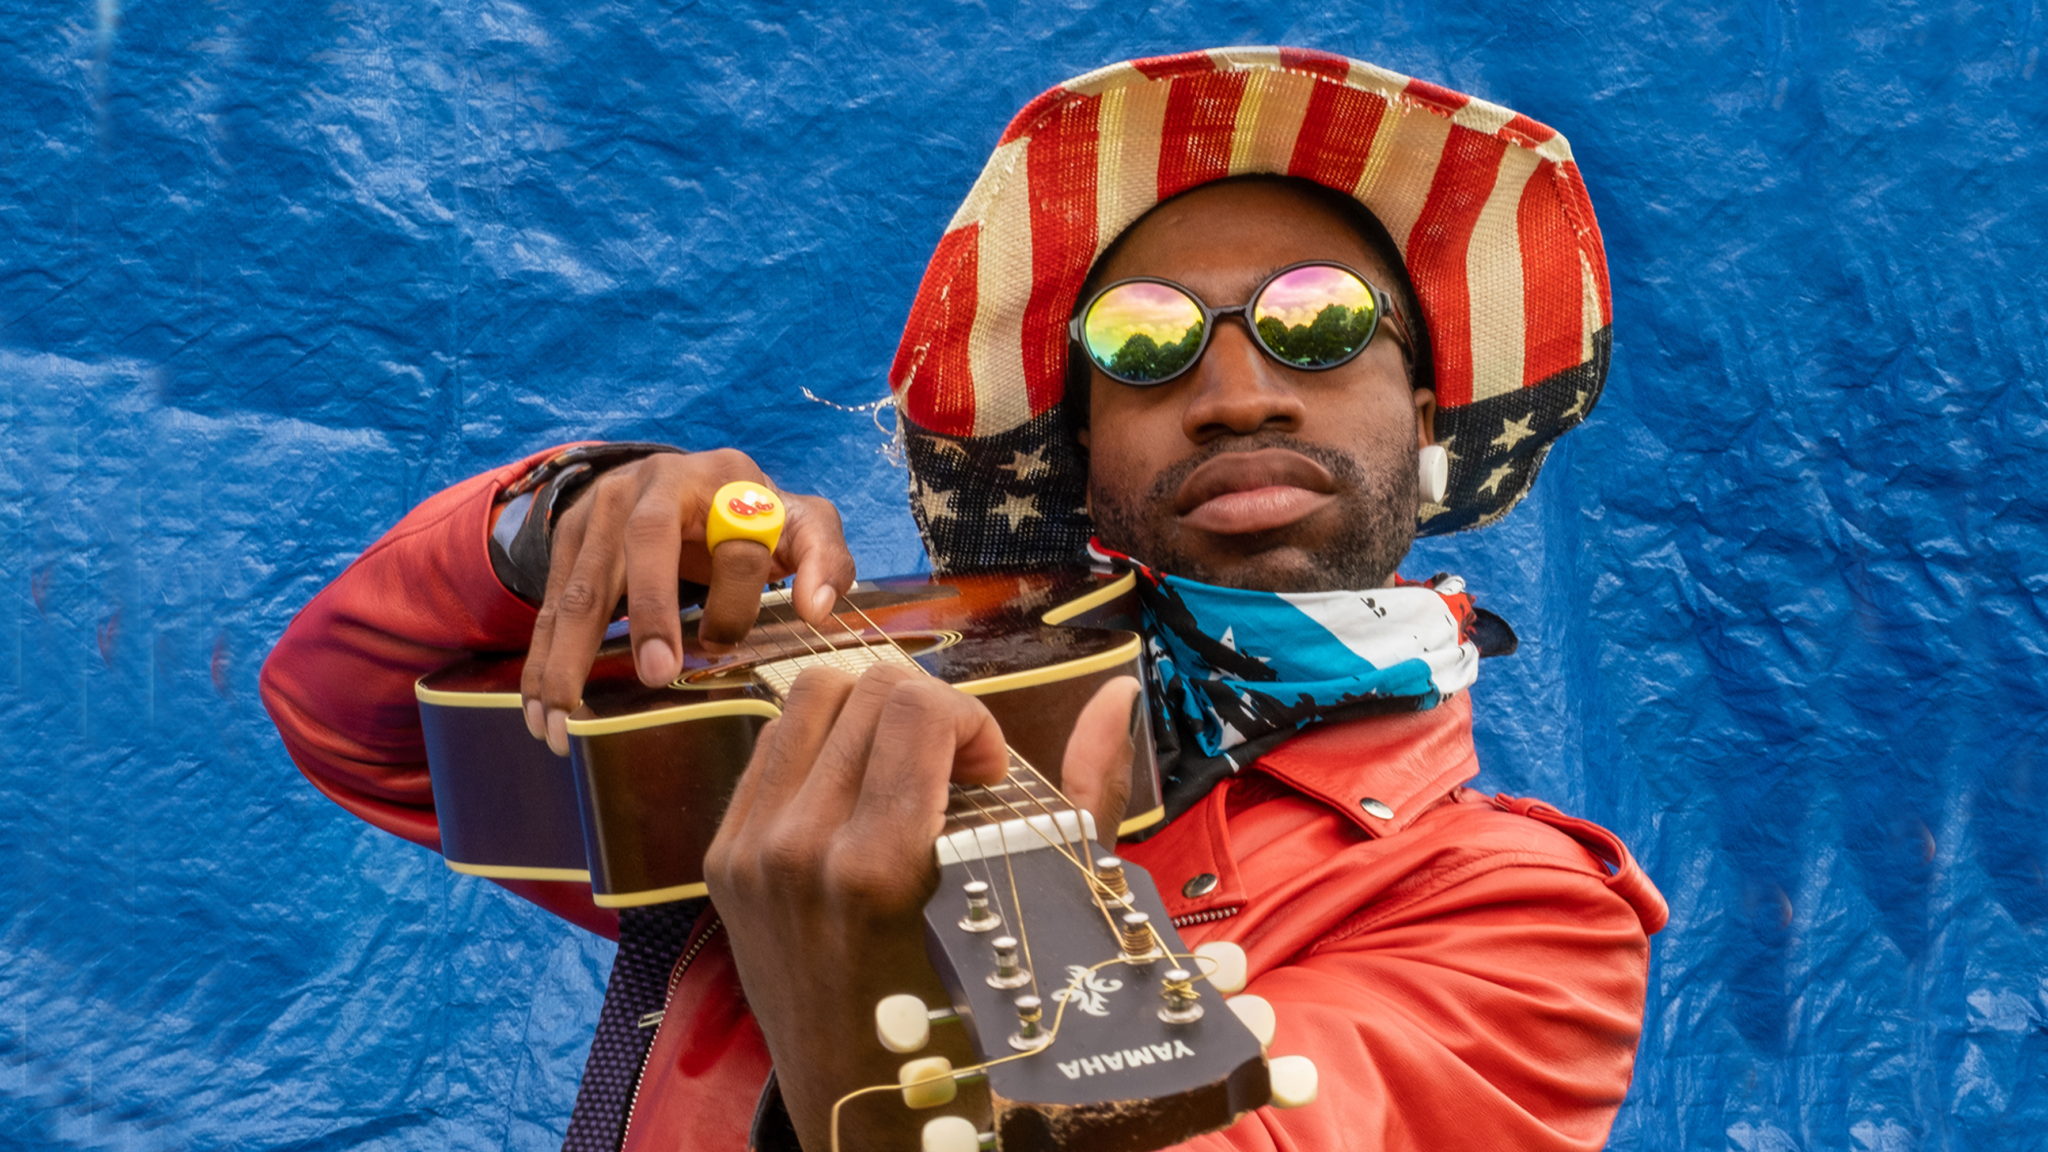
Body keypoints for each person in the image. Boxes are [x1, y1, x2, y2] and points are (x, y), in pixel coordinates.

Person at [262, 47, 1666, 1152]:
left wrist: (869, 1057)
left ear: (1419, 397)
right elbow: (358, 723)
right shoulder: (836, 698)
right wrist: (551, 530)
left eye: (1320, 321)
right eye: (1146, 345)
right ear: (1082, 447)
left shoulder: (1523, 917)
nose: (1238, 393)